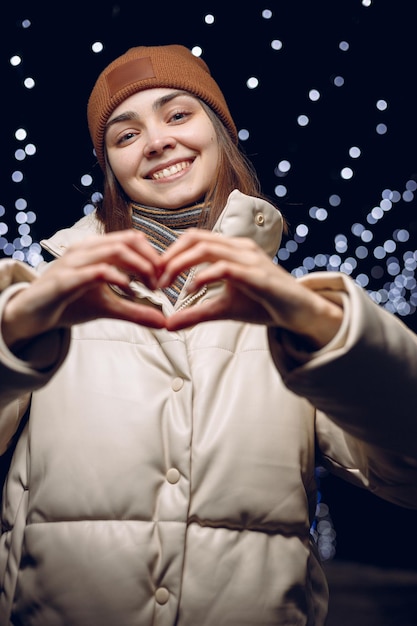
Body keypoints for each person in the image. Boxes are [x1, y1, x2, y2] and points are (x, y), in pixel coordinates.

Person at [0, 44, 416, 626]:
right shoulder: (47, 298)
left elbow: (407, 473)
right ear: (111, 168)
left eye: (177, 115)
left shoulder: (297, 314)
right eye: (125, 135)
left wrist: (332, 333)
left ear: (220, 131)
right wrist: (15, 329)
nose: (157, 142)